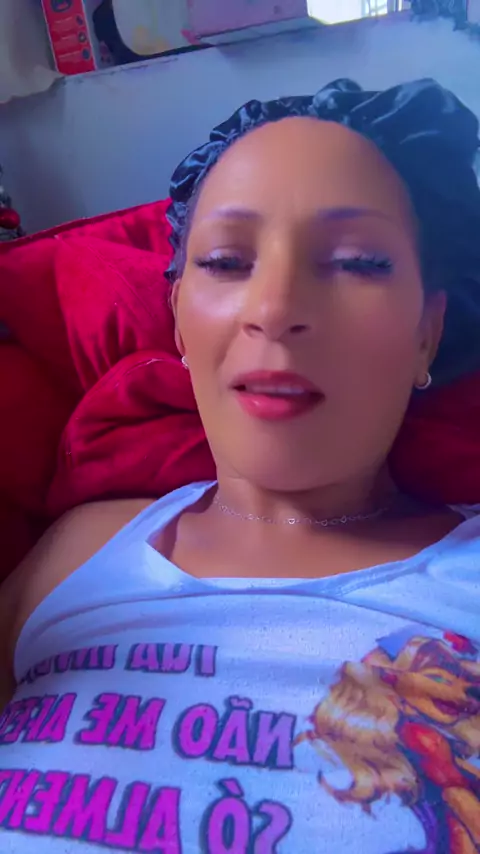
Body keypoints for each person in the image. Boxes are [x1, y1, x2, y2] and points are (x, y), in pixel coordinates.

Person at [0, 78, 480, 854]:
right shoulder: (78, 551)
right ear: (179, 320)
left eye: (356, 261)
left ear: (428, 331)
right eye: (227, 261)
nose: (274, 307)